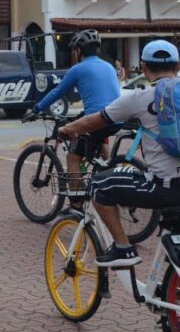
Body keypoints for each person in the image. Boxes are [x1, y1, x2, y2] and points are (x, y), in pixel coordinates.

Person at [58, 40, 180, 267]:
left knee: (101, 185)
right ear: (178, 66)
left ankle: (123, 249)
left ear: (143, 67)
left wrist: (67, 129)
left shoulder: (140, 97)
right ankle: (179, 293)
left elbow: (96, 120)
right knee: (175, 239)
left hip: (165, 188)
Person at [32, 29, 121, 213]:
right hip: (116, 117)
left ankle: (76, 205)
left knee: (73, 157)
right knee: (100, 144)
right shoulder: (109, 66)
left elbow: (58, 92)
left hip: (97, 119)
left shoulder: (78, 69)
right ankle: (112, 172)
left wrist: (37, 109)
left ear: (78, 51)